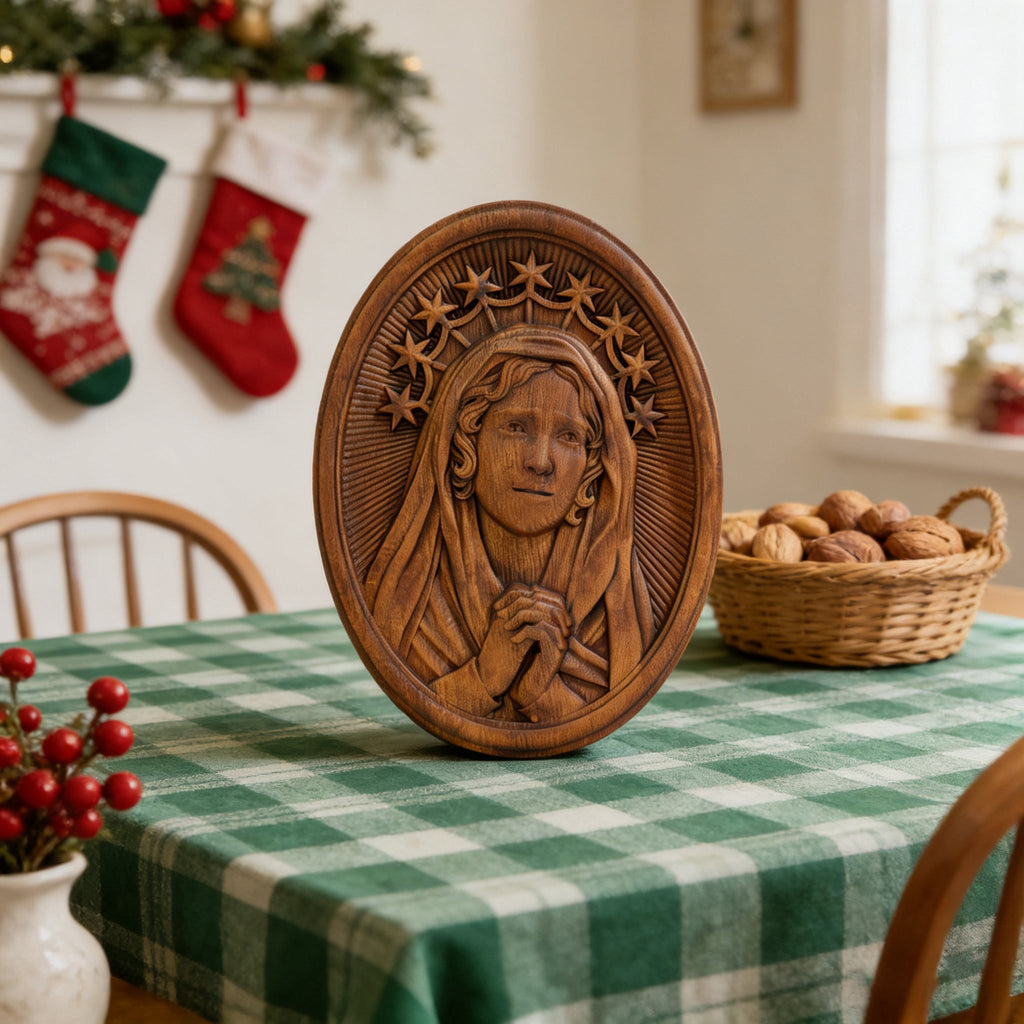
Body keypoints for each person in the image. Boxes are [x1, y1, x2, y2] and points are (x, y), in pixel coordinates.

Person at [365, 324, 655, 724]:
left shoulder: (614, 617)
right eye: (516, 427)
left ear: (591, 468)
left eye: (569, 436)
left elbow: (607, 715)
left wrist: (541, 692)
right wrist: (484, 676)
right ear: (465, 443)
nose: (541, 461)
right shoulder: (412, 601)